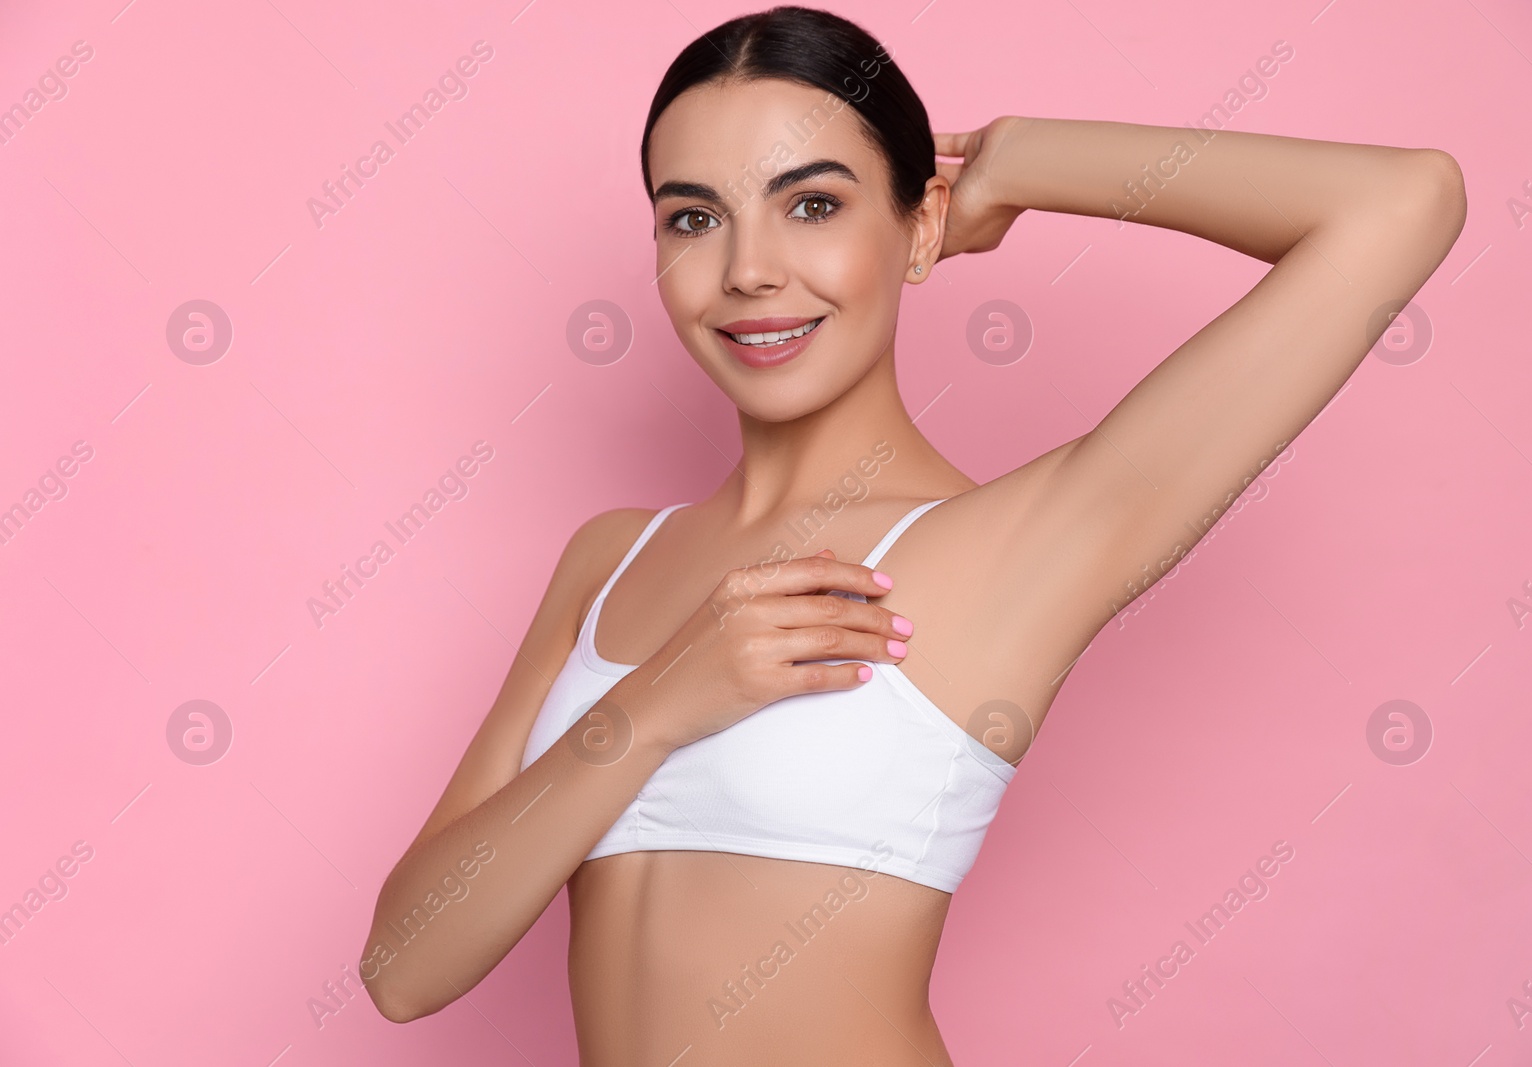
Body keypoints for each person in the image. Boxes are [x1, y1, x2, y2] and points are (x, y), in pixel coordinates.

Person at [361, 6, 1467, 1063]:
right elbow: (405, 966)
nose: (747, 268)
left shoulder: (1021, 541)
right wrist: (655, 703)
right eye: (693, 217)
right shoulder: (611, 559)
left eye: (812, 204)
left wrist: (1020, 158)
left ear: (920, 224)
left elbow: (1400, 205)